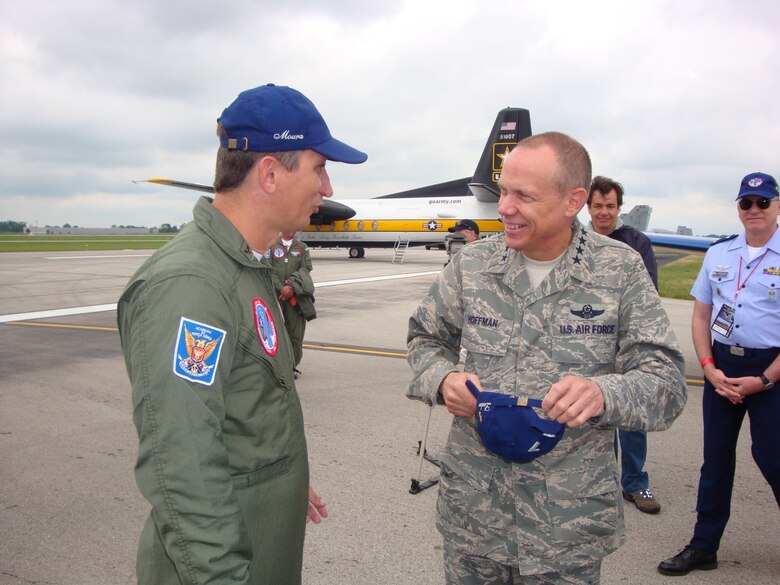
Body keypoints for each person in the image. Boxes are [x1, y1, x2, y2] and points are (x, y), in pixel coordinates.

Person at [406, 131, 686, 584]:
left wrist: (602, 392)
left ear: (572, 201)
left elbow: (667, 382)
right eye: (503, 191)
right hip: (477, 518)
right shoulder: (472, 266)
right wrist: (441, 378)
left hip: (566, 527)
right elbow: (424, 339)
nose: (504, 207)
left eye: (524, 195)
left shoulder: (619, 270)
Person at [117, 83, 367, 585]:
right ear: (270, 174)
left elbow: (247, 407)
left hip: (259, 540)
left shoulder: (248, 268)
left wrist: (280, 477)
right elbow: (180, 462)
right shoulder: (191, 285)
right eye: (320, 168)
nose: (328, 189)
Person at [658, 171, 780, 576]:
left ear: (777, 206)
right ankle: (703, 546)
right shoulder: (720, 253)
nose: (754, 210)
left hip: (771, 371)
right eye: (747, 202)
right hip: (723, 367)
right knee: (715, 462)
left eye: (763, 202)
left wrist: (765, 380)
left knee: (773, 457)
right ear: (738, 208)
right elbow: (701, 314)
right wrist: (709, 369)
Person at [587, 176, 661, 514]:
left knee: (631, 419)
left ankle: (635, 484)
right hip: (588, 344)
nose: (604, 212)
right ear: (588, 207)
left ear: (620, 208)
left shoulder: (636, 243)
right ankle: (599, 484)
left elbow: (647, 298)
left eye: (611, 206)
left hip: (625, 344)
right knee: (595, 416)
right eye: (598, 206)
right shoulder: (577, 242)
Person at [268, 231, 315, 377]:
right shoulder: (271, 246)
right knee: (275, 332)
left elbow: (305, 270)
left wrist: (290, 285)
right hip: (277, 296)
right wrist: (280, 288)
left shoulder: (302, 247)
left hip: (296, 296)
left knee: (296, 333)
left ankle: (292, 366)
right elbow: (268, 269)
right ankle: (277, 366)